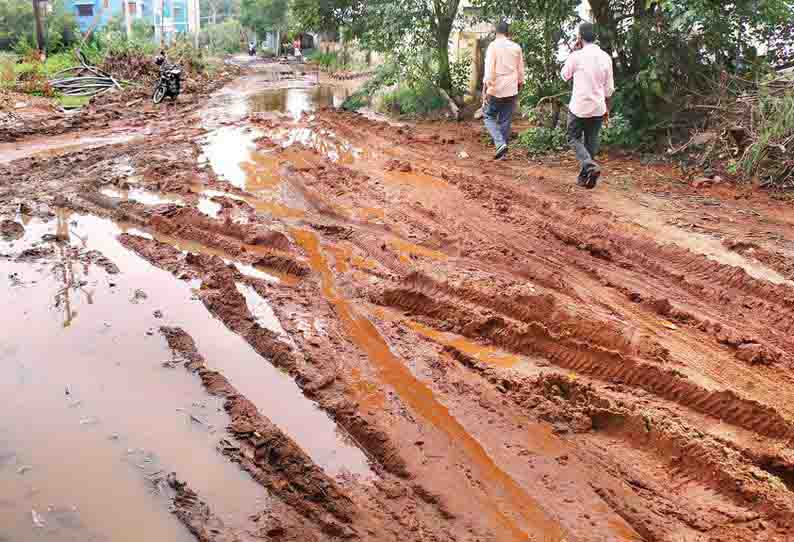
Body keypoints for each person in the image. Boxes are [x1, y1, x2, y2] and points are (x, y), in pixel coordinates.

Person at [561, 22, 614, 188]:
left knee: (572, 137)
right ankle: (585, 178)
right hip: (598, 106)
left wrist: (573, 51)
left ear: (580, 37)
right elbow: (609, 89)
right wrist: (606, 107)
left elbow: (564, 75)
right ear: (595, 37)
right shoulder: (605, 57)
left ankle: (590, 167)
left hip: (579, 106)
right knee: (591, 141)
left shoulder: (576, 56)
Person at [482, 21, 525, 160]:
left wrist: (485, 89)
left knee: (488, 116)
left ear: (496, 31)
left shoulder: (493, 46)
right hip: (511, 89)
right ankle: (503, 153)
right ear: (508, 32)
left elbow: (489, 71)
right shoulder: (516, 47)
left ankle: (500, 144)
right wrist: (519, 85)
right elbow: (520, 71)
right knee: (505, 120)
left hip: (496, 88)